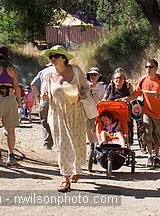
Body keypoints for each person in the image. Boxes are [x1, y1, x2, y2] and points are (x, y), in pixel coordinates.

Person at [41, 45, 90, 192]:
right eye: (51, 57)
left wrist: (81, 95)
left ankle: (76, 168)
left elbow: (86, 88)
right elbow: (45, 93)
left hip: (76, 112)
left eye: (56, 56)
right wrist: (44, 97)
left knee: (77, 142)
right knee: (61, 144)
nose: (53, 59)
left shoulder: (76, 70)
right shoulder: (48, 74)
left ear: (64, 58)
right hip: (57, 113)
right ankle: (65, 178)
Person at [125, 59, 160, 169]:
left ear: (156, 68)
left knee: (158, 136)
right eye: (146, 67)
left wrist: (159, 96)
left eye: (150, 67)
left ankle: (157, 157)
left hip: (159, 113)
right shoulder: (143, 80)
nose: (148, 69)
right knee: (146, 133)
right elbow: (136, 94)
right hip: (146, 112)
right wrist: (124, 100)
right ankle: (150, 156)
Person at [30, 63, 53, 149]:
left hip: (45, 102)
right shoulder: (62, 72)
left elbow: (33, 84)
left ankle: (47, 143)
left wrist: (39, 96)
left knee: (45, 122)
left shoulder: (43, 72)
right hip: (59, 103)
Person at [86, 66, 105, 147]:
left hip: (98, 109)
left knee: (95, 128)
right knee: (87, 127)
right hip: (87, 109)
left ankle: (97, 142)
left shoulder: (101, 86)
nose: (93, 77)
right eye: (91, 75)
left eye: (95, 75)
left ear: (98, 76)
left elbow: (103, 97)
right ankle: (92, 144)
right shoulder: (85, 85)